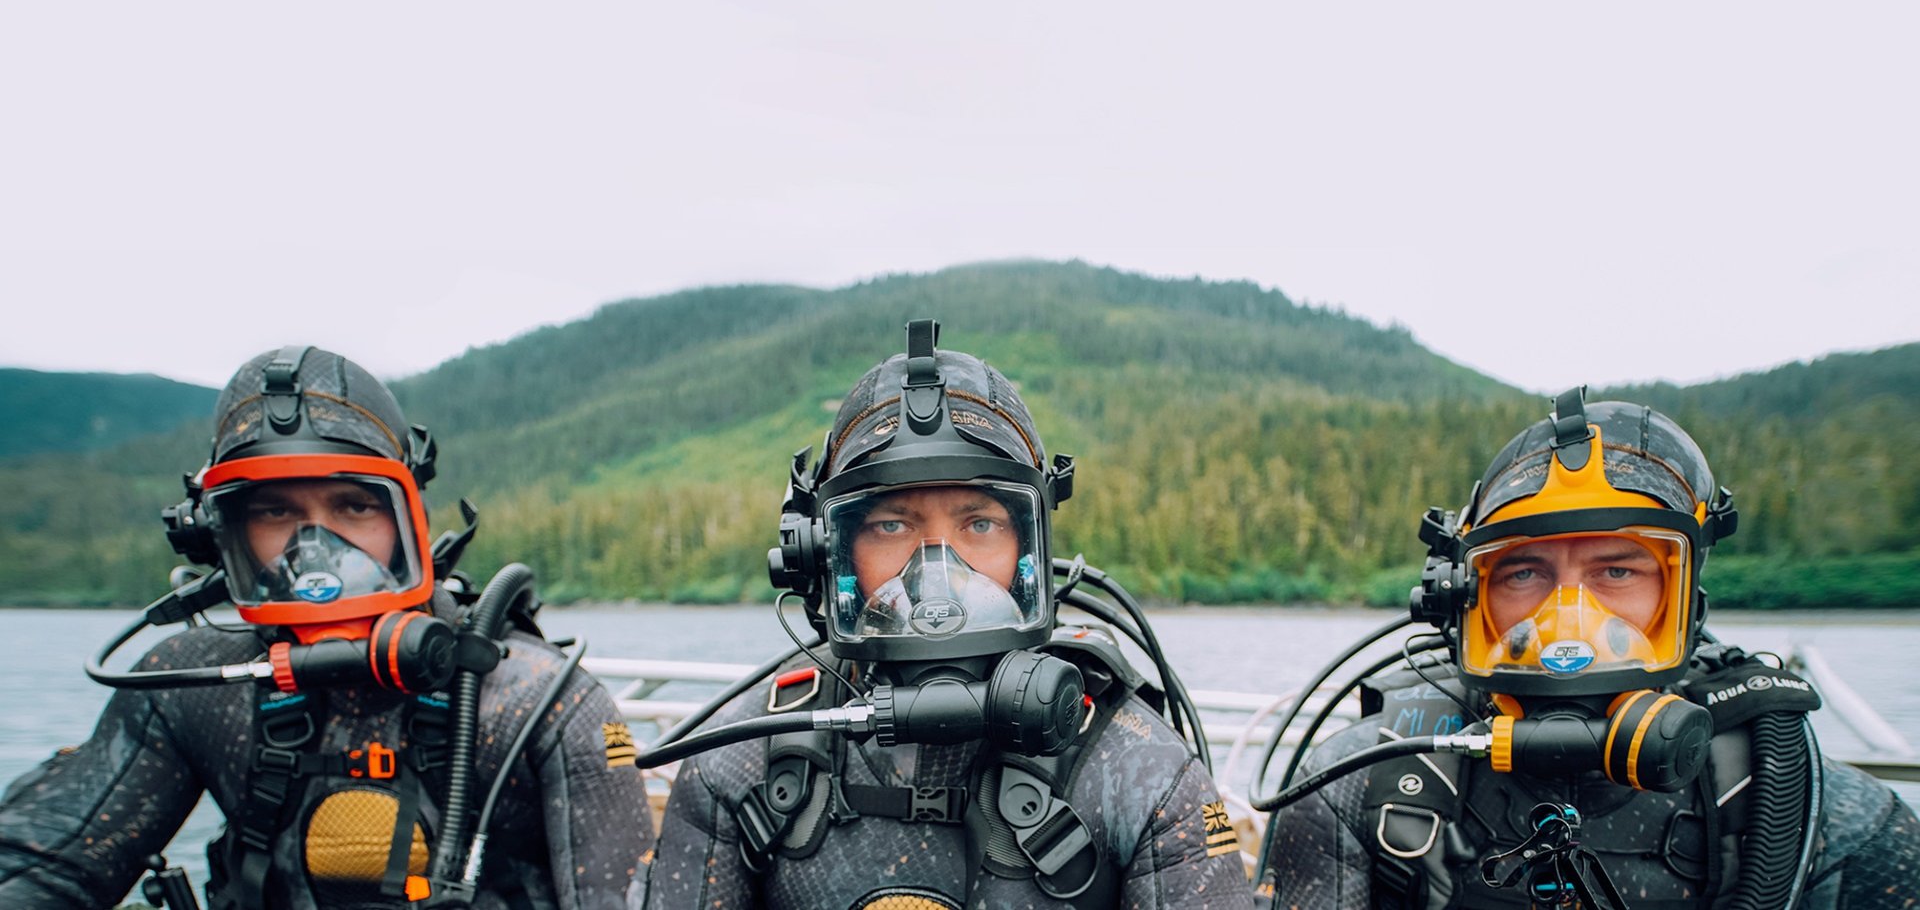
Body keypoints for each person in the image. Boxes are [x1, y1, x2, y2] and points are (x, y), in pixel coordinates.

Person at [0, 345, 652, 910]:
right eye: (276, 512)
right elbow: (51, 865)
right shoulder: (193, 688)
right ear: (225, 537)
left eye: (355, 505)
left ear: (408, 521)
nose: (317, 550)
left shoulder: (533, 696)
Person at [644, 320, 1252, 909]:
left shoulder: (1140, 772)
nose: (936, 579)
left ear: (1030, 550)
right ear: (826, 554)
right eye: (891, 524)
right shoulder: (741, 758)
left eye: (979, 523)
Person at [1257, 388, 1920, 909]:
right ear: (1466, 595)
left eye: (1617, 571)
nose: (1568, 619)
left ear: (1685, 594)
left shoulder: (1815, 807)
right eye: (1524, 573)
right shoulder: (1359, 785)